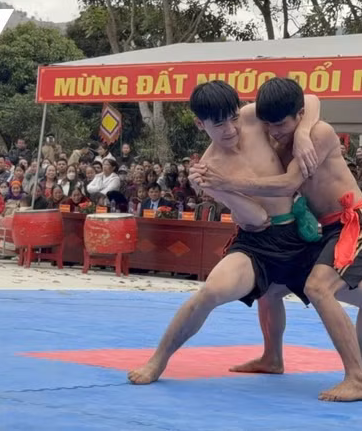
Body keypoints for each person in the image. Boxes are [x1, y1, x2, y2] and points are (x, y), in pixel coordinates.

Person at [193, 77, 362, 401]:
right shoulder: (277, 137)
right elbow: (307, 99)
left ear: (299, 115)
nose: (275, 132)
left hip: (354, 221)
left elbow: (287, 182)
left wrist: (226, 182)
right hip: (323, 230)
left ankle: (357, 380)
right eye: (269, 125)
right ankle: (361, 368)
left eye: (281, 124)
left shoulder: (318, 133)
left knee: (318, 288)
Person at [127, 81, 321, 393]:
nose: (231, 129)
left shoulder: (252, 116)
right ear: (199, 124)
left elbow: (308, 99)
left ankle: (276, 358)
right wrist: (217, 187)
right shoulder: (208, 169)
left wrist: (302, 133)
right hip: (257, 239)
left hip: (299, 228)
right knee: (210, 293)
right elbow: (257, 218)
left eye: (232, 118)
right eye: (219, 124)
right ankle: (158, 360)